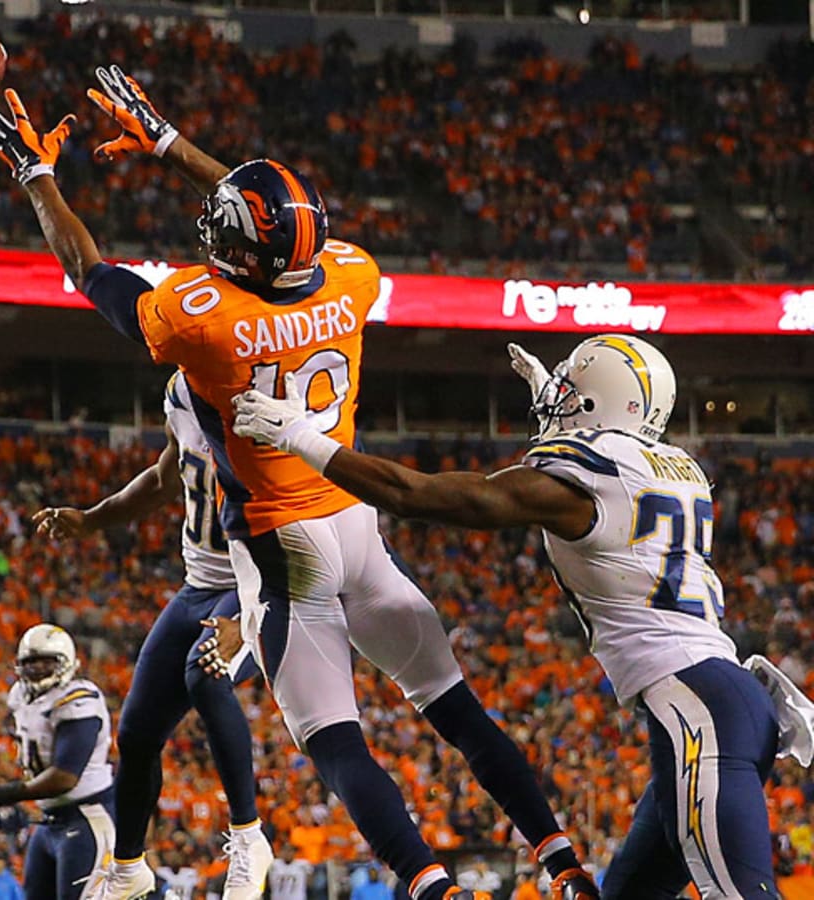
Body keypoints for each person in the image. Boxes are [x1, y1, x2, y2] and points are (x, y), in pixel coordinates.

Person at [0, 66, 593, 900]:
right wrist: (170, 143)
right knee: (458, 712)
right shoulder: (352, 275)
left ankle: (433, 890)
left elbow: (87, 266)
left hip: (278, 547)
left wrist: (36, 175)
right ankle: (563, 861)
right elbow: (280, 231)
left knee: (339, 744)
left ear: (236, 251)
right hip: (359, 526)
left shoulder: (199, 316)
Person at [230, 333, 814, 899]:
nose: (553, 397)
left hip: (698, 709)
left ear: (593, 403)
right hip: (716, 702)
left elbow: (424, 496)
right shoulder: (671, 466)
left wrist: (306, 439)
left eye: (569, 390)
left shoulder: (590, 476)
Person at [30, 369, 271, 900]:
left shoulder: (273, 390)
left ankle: (250, 837)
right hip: (200, 584)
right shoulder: (183, 390)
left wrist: (255, 611)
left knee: (206, 672)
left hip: (264, 583)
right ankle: (129, 864)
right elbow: (166, 476)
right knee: (136, 733)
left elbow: (309, 509)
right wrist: (93, 519)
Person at [0, 625, 115, 900]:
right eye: (31, 662)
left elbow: (65, 777)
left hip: (87, 815)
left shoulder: (78, 700)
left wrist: (0, 795)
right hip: (49, 821)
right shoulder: (21, 696)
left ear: (66, 662)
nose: (38, 668)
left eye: (46, 661)